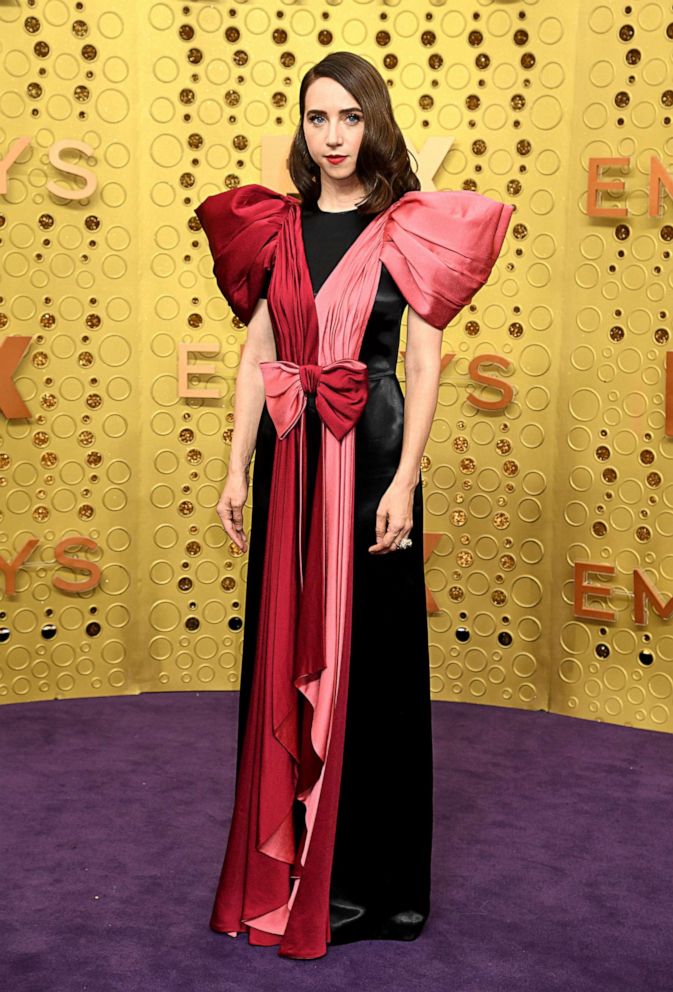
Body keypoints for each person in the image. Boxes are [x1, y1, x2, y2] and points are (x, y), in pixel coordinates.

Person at [195, 51, 514, 961]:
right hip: (292, 459)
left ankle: (370, 885)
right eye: (315, 118)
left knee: (368, 666)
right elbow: (260, 355)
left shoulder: (407, 226)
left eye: (347, 117)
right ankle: (283, 861)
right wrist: (233, 470)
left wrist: (407, 477)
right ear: (299, 128)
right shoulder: (272, 227)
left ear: (373, 122)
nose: (331, 136)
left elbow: (421, 361)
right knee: (282, 652)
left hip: (370, 454)